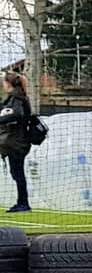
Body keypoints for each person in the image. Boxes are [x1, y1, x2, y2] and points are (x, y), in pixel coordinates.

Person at [0, 69, 33, 213]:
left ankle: (23, 203)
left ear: (9, 84)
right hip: (12, 142)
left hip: (17, 143)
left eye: (4, 83)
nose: (3, 85)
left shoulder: (18, 99)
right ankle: (22, 202)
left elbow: (17, 114)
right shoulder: (11, 100)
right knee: (16, 172)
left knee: (18, 172)